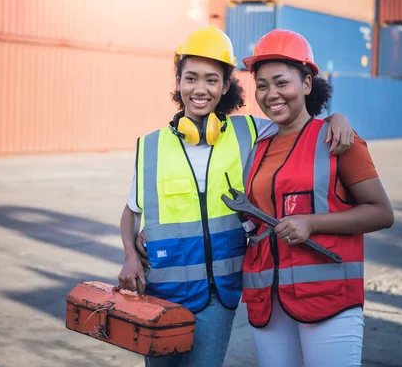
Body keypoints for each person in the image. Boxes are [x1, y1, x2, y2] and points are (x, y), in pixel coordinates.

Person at [117, 26, 355, 367]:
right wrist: (129, 255)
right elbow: (130, 211)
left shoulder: (250, 132)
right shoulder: (150, 146)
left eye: (212, 80)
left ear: (226, 85)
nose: (200, 89)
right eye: (191, 78)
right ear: (178, 81)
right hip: (160, 291)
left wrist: (335, 117)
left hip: (220, 294)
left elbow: (296, 120)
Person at [239, 29, 394, 367]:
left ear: (307, 84)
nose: (271, 94)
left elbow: (382, 212)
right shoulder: (257, 146)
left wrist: (312, 222)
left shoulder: (337, 139)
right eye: (262, 85)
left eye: (282, 83)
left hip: (329, 300)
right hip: (270, 301)